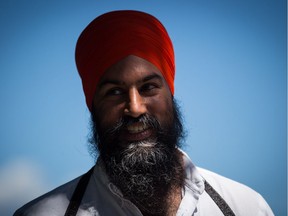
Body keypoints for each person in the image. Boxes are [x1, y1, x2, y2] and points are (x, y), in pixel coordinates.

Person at [14, 10, 274, 216]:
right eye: (115, 92)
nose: (135, 108)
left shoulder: (245, 207)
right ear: (92, 104)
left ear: (170, 94)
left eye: (148, 87)